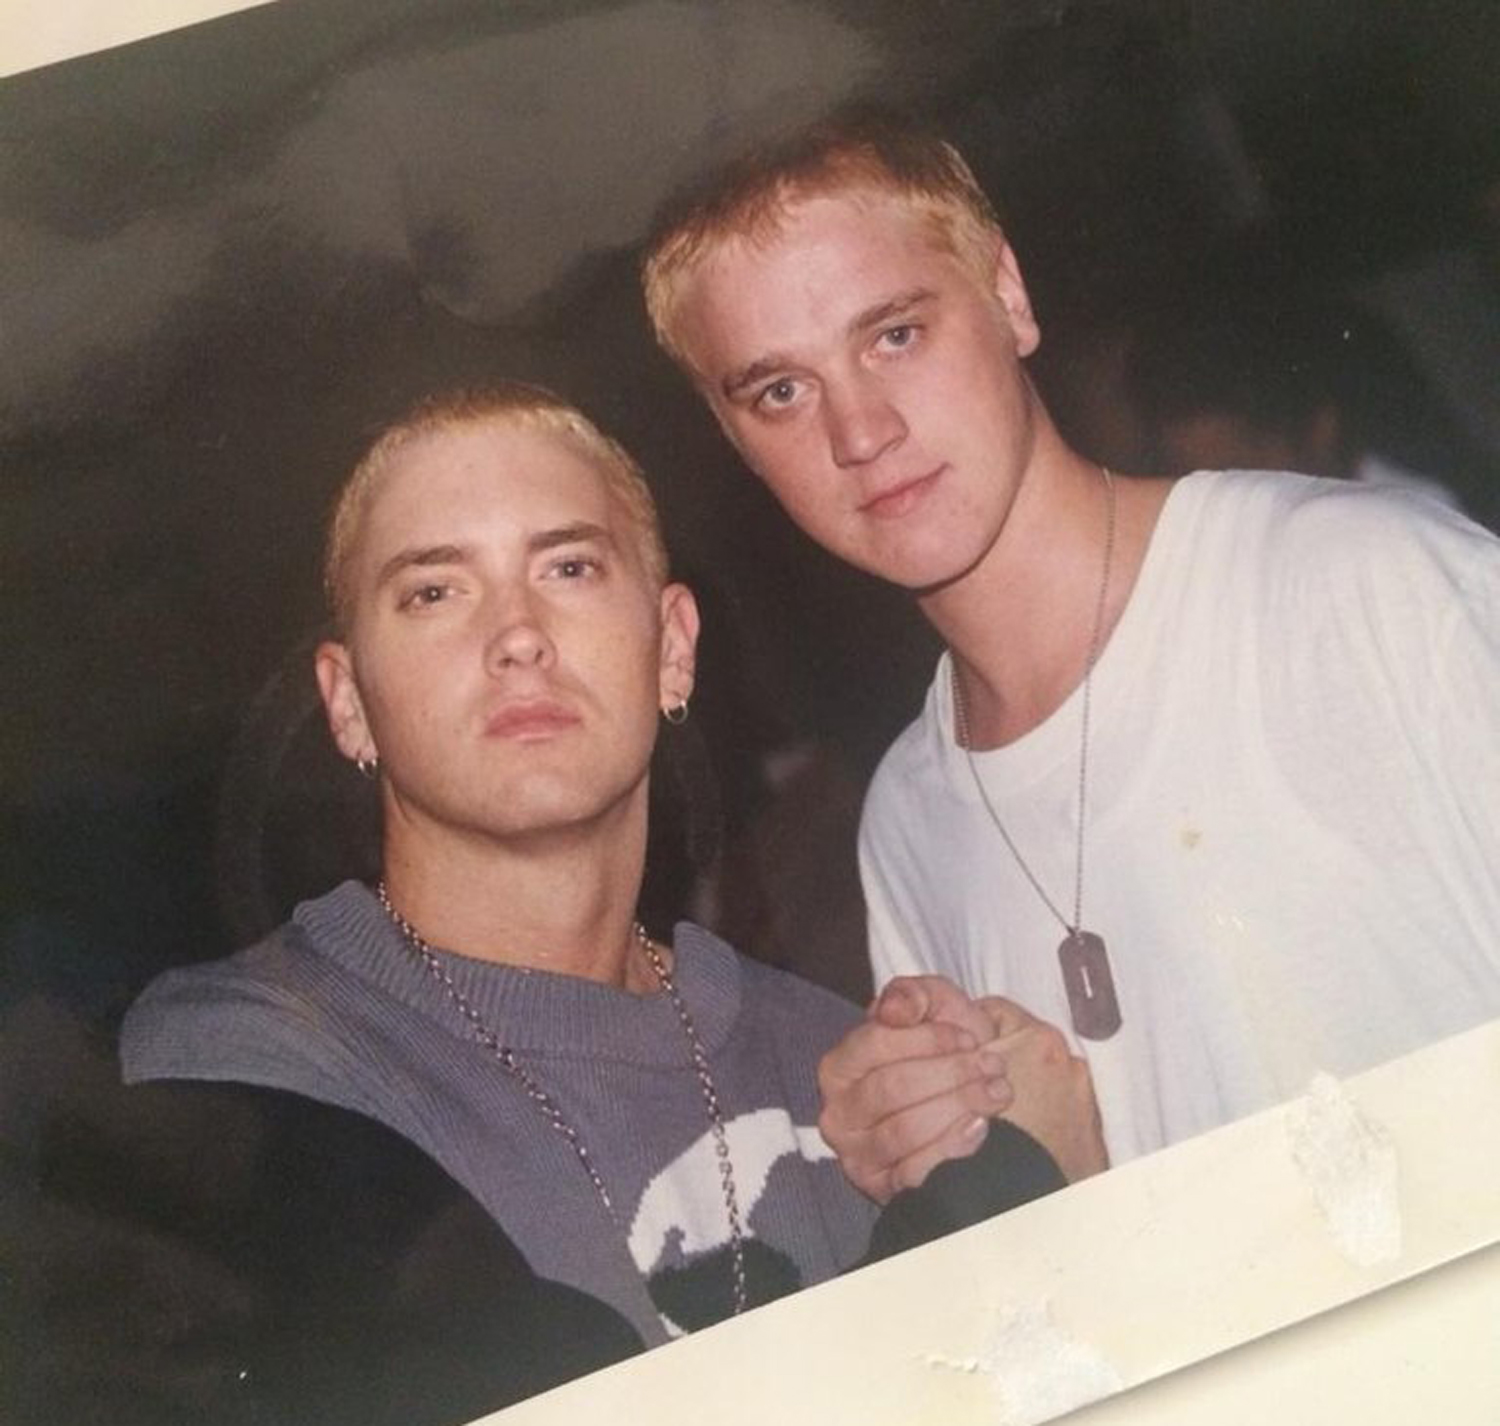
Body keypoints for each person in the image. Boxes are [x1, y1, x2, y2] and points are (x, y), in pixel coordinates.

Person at [37, 384, 1091, 1426]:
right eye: (434, 591)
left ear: (672, 648)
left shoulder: (828, 1059)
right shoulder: (245, 1076)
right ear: (349, 703)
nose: (518, 635)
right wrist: (1012, 1199)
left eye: (569, 568)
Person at [640, 111, 1500, 1196]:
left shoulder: (1359, 584)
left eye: (895, 335)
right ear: (736, 440)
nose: (859, 433)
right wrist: (982, 1190)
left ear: (1007, 295)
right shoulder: (908, 816)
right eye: (781, 391)